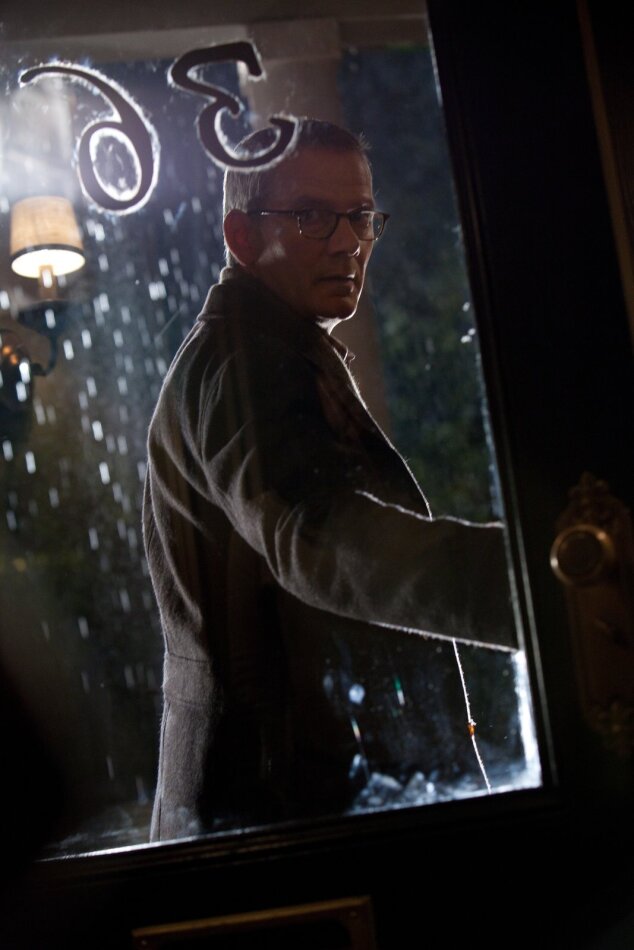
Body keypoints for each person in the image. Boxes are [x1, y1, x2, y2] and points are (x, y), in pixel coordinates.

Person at [142, 118, 516, 842]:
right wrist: (533, 585)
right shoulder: (247, 360)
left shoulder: (262, 346)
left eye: (361, 216)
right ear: (242, 236)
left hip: (285, 805)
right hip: (279, 818)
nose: (349, 242)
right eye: (313, 216)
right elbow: (315, 534)